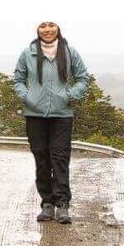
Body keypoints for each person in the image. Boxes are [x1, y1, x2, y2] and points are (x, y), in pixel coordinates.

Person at [11, 20, 89, 224]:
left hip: (62, 114)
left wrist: (69, 95)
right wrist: (28, 98)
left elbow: (83, 78)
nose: (47, 29)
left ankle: (62, 205)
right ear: (37, 30)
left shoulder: (69, 52)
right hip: (34, 114)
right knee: (41, 158)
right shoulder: (28, 53)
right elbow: (18, 80)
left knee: (60, 158)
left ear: (58, 28)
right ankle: (47, 204)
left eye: (51, 25)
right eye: (43, 26)